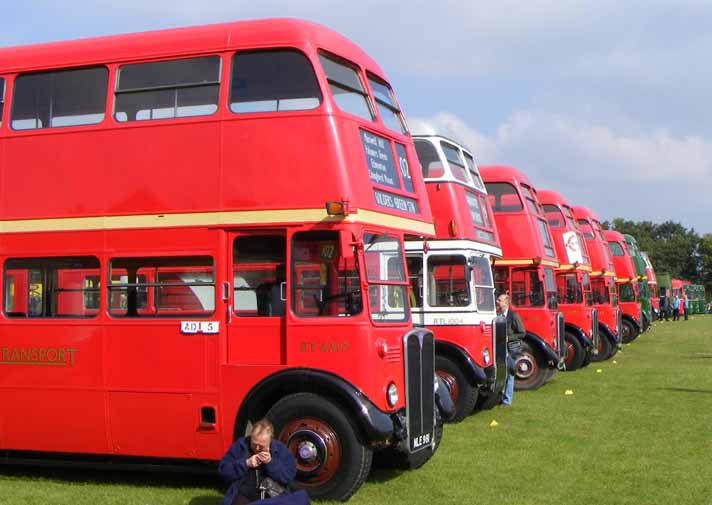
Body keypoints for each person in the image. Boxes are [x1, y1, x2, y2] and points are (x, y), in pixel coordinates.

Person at [219, 419, 297, 505]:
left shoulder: (281, 450)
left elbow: (287, 477)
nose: (257, 448)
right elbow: (224, 471)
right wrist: (246, 463)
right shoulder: (240, 446)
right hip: (245, 493)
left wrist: (270, 463)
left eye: (261, 446)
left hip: (273, 493)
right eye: (254, 444)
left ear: (270, 440)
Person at [497, 293, 525, 407]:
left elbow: (522, 333)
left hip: (510, 349)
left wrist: (509, 338)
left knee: (510, 373)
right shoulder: (497, 315)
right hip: (499, 348)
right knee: (500, 373)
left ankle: (507, 401)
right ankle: (499, 397)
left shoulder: (514, 316)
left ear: (506, 303)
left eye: (499, 300)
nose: (497, 302)